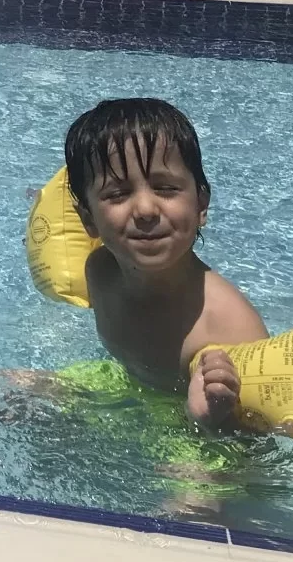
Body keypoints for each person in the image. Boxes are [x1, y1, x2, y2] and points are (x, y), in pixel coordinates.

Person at [64, 98, 267, 428]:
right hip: (132, 391)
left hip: (192, 432)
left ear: (201, 205)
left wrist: (210, 422)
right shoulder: (100, 271)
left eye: (166, 188)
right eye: (117, 194)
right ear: (88, 218)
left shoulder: (230, 327)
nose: (145, 209)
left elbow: (260, 445)